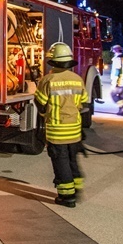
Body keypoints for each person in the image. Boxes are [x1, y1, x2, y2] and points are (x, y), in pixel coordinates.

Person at [34, 42, 89, 208]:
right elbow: (84, 104)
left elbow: (40, 103)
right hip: (75, 130)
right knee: (73, 161)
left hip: (57, 132)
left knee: (61, 163)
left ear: (53, 61)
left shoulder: (48, 80)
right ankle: (76, 189)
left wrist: (45, 113)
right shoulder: (77, 79)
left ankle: (67, 197)